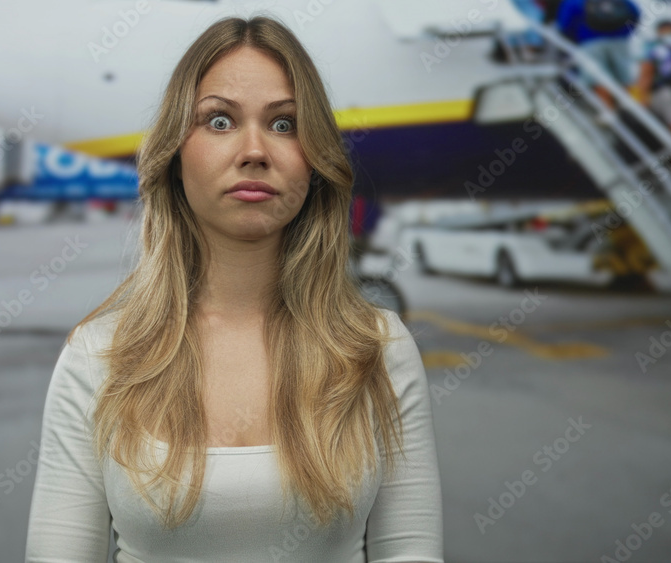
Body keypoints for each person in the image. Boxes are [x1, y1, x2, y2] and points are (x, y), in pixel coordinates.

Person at [24, 14, 443, 563]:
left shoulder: (381, 350)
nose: (254, 150)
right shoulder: (96, 357)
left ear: (314, 161)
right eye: (219, 122)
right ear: (175, 157)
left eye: (285, 124)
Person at [557, 0, 641, 114]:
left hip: (589, 43)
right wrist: (623, 34)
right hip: (620, 42)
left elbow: (565, 25)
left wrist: (579, 38)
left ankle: (608, 111)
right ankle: (632, 110)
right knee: (624, 76)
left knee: (598, 76)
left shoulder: (573, 2)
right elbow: (635, 14)